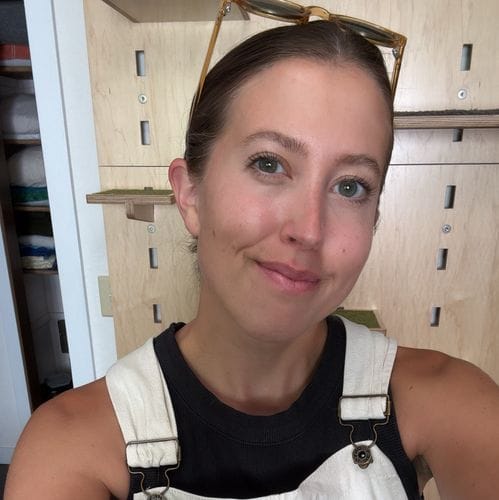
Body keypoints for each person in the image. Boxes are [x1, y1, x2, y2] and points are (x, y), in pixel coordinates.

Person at [5, 14, 499, 500]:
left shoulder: (449, 400)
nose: (309, 230)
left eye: (351, 187)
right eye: (269, 164)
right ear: (190, 193)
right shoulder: (70, 447)